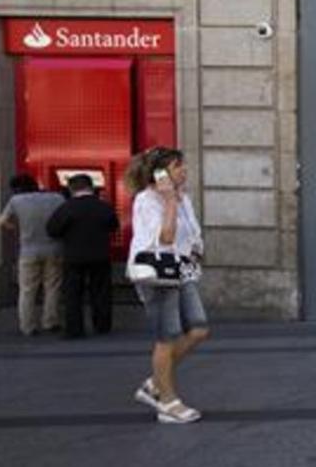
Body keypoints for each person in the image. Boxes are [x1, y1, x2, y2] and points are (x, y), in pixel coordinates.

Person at [125, 147, 209, 424]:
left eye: (183, 165)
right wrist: (169, 201)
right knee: (167, 336)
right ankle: (167, 401)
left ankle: (155, 382)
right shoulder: (147, 200)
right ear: (159, 173)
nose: (183, 170)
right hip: (158, 274)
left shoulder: (184, 199)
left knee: (198, 329)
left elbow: (191, 235)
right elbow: (165, 237)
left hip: (181, 272)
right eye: (177, 166)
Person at [46, 174, 120, 339]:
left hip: (74, 256)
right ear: (91, 187)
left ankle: (75, 328)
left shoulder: (66, 207)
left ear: (71, 189)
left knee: (73, 294)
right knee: (101, 291)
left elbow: (52, 229)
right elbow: (114, 226)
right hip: (100, 255)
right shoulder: (104, 206)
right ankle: (102, 325)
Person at [0, 174, 65, 336]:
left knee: (27, 290)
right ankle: (50, 322)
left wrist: (16, 227)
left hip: (29, 250)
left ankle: (28, 326)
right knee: (53, 287)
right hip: (54, 248)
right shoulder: (56, 198)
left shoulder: (16, 201)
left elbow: (1, 221)